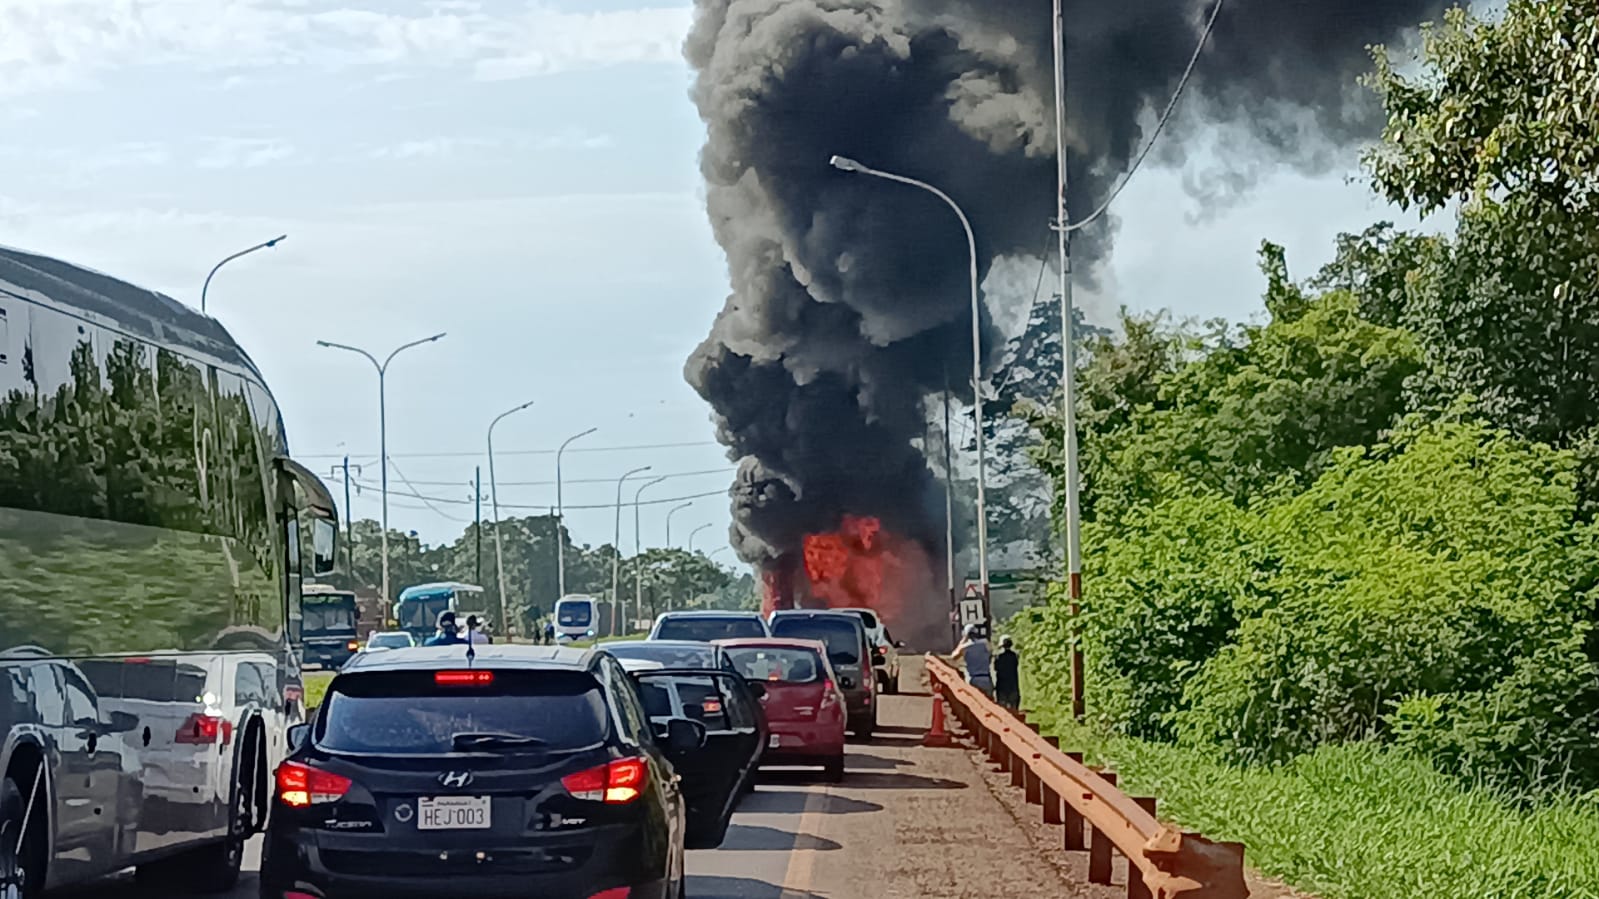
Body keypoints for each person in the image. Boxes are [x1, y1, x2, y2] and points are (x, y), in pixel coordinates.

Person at [951, 623, 993, 698]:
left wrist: (962, 641)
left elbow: (953, 657)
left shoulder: (965, 647)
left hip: (973, 679)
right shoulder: (985, 643)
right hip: (986, 679)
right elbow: (990, 655)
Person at [994, 635, 1020, 710]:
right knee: (1014, 709)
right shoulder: (1015, 656)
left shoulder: (998, 657)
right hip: (1013, 685)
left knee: (1002, 710)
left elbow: (996, 668)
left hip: (1002, 686)